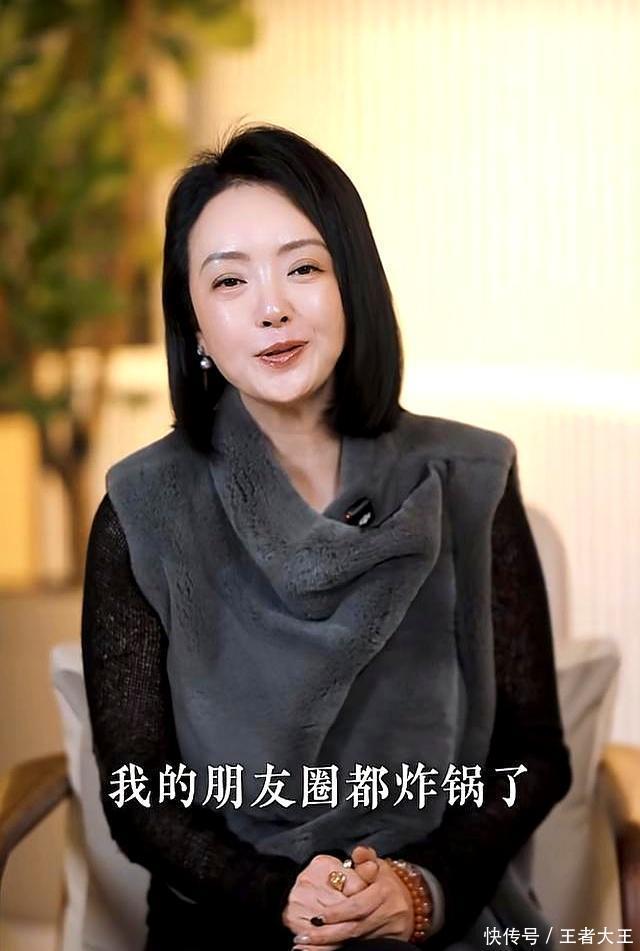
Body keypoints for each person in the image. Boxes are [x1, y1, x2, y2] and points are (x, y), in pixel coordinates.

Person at [81, 122, 572, 951]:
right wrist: (283, 893)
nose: (271, 307)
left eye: (302, 268)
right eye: (229, 280)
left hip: (437, 916)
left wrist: (420, 888)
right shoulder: (143, 506)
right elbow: (140, 792)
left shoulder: (471, 476)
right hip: (235, 920)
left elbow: (532, 755)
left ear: (353, 283)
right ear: (195, 326)